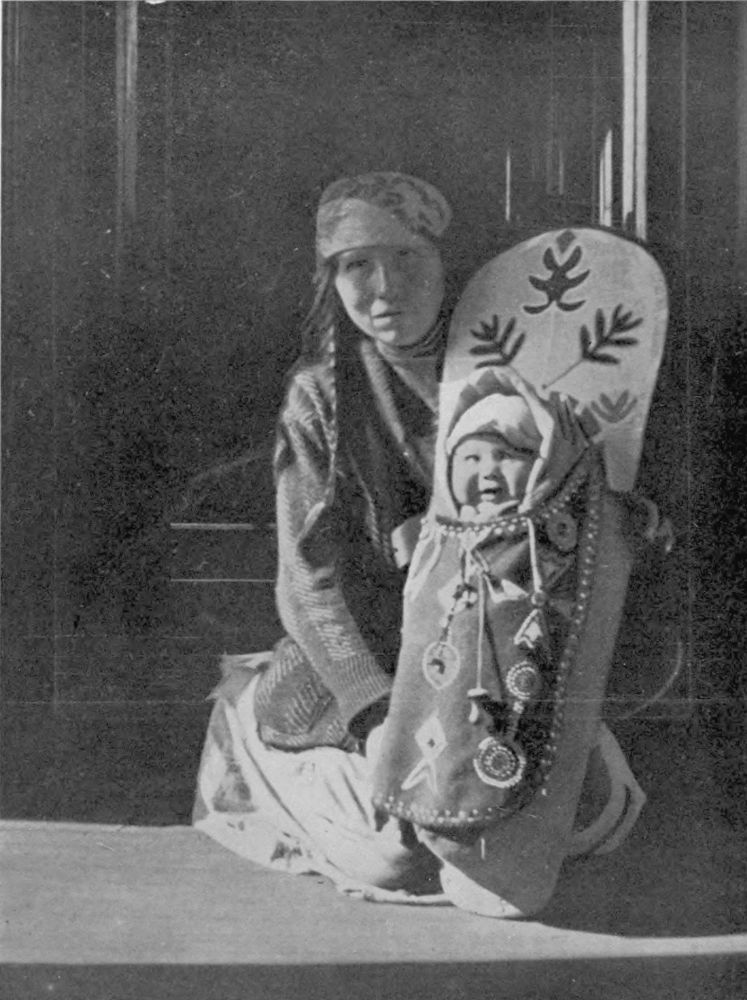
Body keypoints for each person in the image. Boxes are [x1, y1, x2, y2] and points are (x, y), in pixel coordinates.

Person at [193, 174, 645, 914]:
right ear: (332, 278)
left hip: (492, 654)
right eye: (356, 265)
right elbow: (307, 583)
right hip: (367, 658)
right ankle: (250, 726)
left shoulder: (521, 374)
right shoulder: (319, 396)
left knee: (587, 818)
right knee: (395, 855)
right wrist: (376, 714)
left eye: (407, 258)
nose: (383, 288)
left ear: (447, 263)